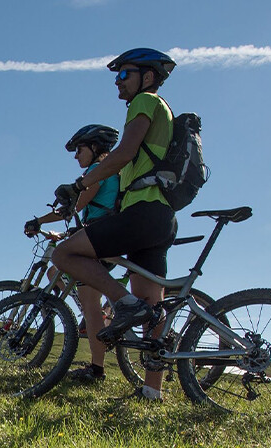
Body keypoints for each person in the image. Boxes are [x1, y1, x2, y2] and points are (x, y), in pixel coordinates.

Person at [50, 48, 178, 401]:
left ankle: (121, 302)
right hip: (161, 217)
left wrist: (79, 185)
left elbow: (123, 153)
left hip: (143, 212)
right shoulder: (161, 109)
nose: (118, 82)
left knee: (63, 254)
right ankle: (153, 390)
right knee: (153, 305)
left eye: (124, 75)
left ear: (147, 77)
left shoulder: (145, 103)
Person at [24, 124, 120, 384]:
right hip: (98, 235)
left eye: (79, 150)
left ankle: (98, 366)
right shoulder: (107, 169)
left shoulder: (97, 171)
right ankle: (97, 367)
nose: (76, 156)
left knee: (87, 302)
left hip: (100, 239)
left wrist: (39, 221)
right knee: (86, 303)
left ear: (94, 148)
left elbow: (74, 207)